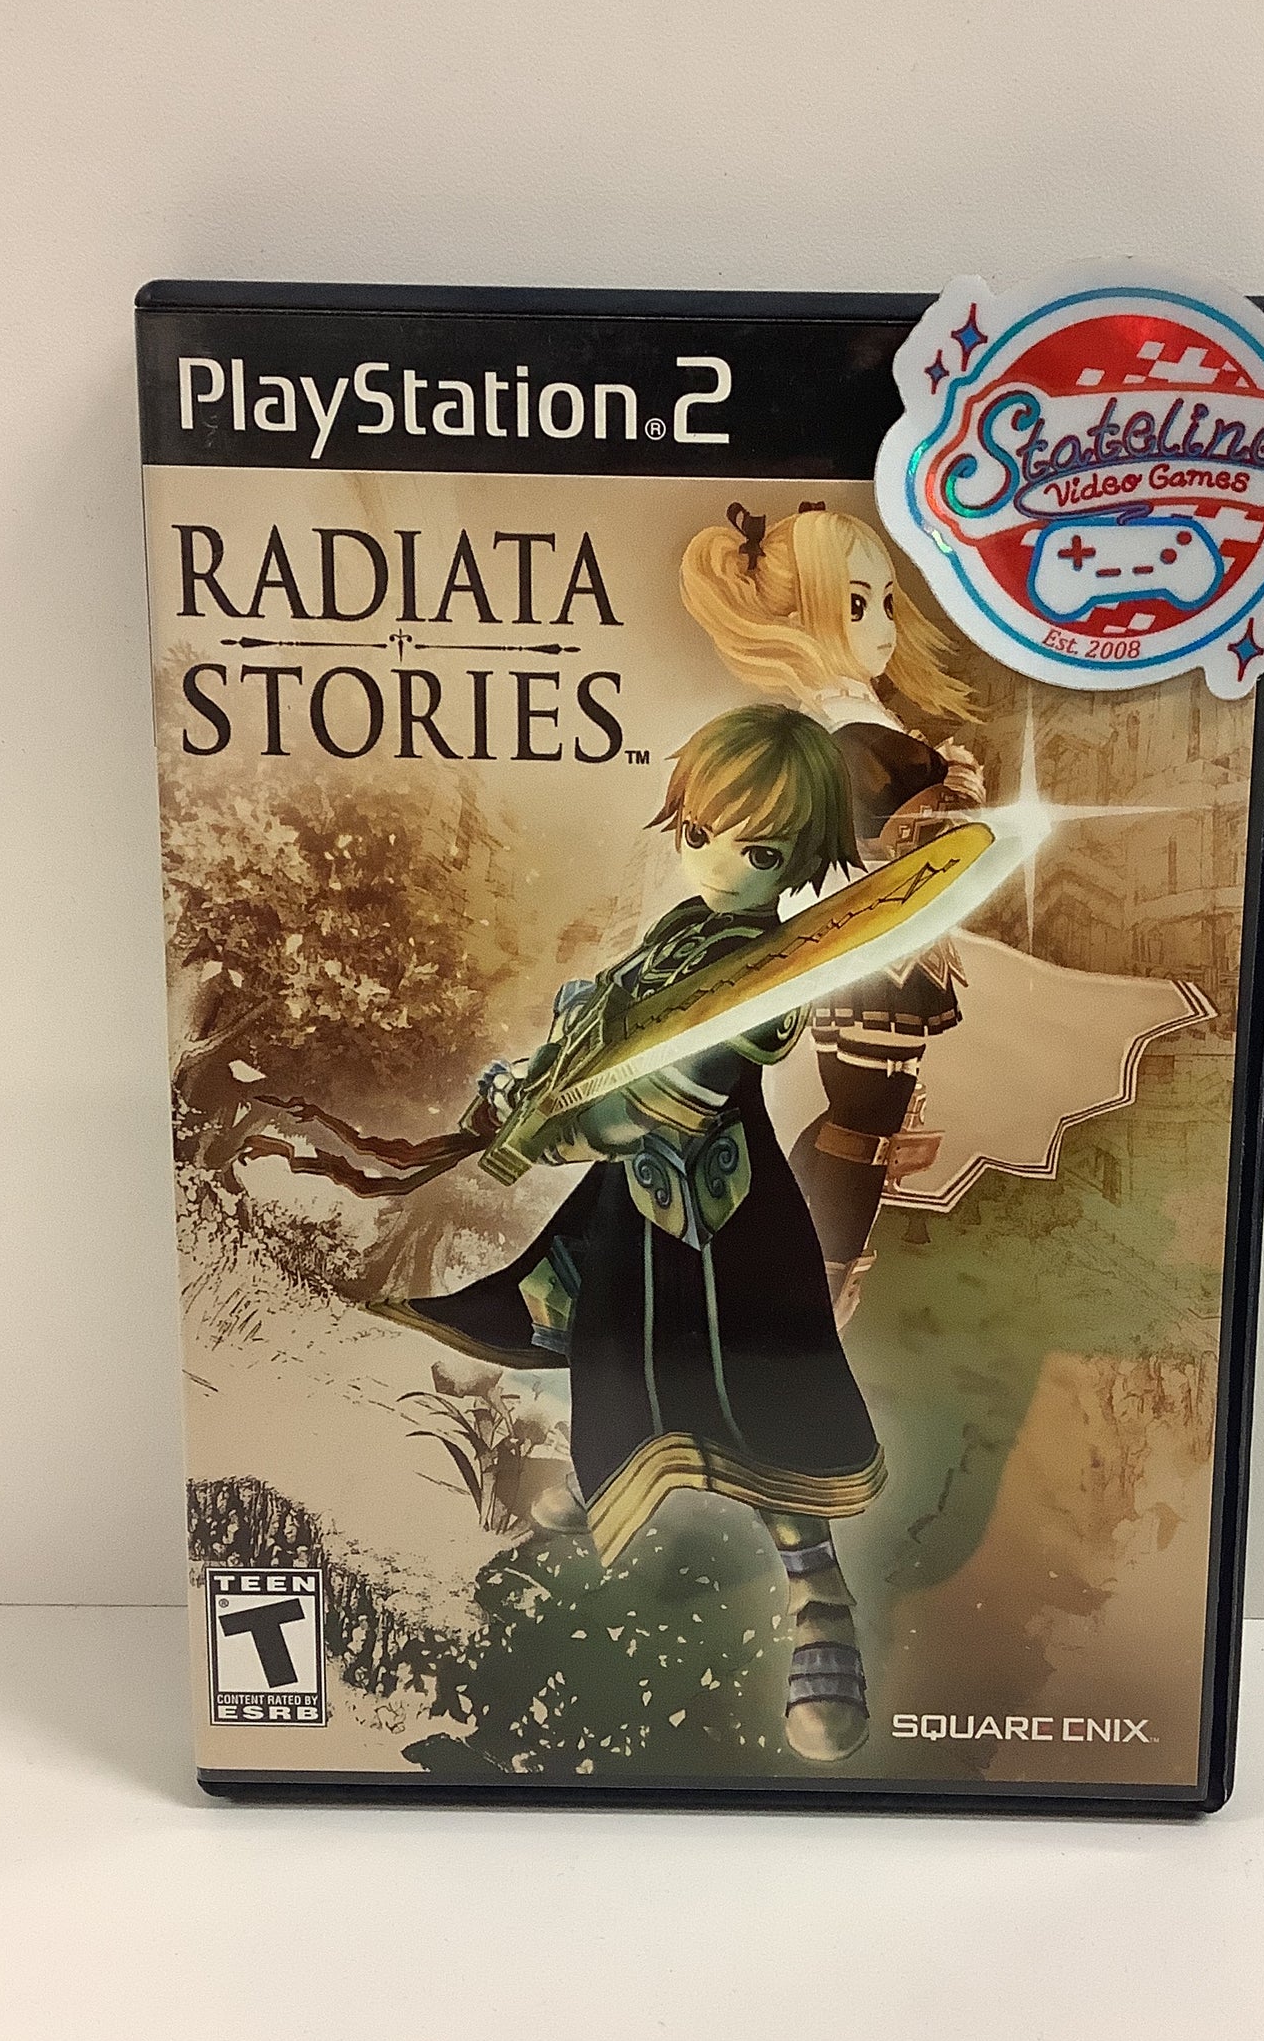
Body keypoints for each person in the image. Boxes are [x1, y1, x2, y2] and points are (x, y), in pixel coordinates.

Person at [396, 704, 883, 1764]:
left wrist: (554, 1133)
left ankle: (820, 1601)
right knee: (611, 1346)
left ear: (801, 856)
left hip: (726, 1217)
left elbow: (674, 1098)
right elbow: (598, 1026)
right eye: (701, 833)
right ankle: (611, 1476)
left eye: (758, 850)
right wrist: (520, 1087)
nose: (720, 864)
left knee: (761, 1393)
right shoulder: (679, 930)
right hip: (637, 1204)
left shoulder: (768, 973)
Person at [680, 504, 986, 1317]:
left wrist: (942, 786)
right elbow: (898, 823)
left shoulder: (848, 713)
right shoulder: (841, 725)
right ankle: (807, 1303)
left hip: (878, 945)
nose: (883, 627)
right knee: (866, 1123)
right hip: (873, 951)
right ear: (800, 615)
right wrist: (950, 791)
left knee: (864, 1120)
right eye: (855, 605)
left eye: (885, 602)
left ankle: (794, 1295)